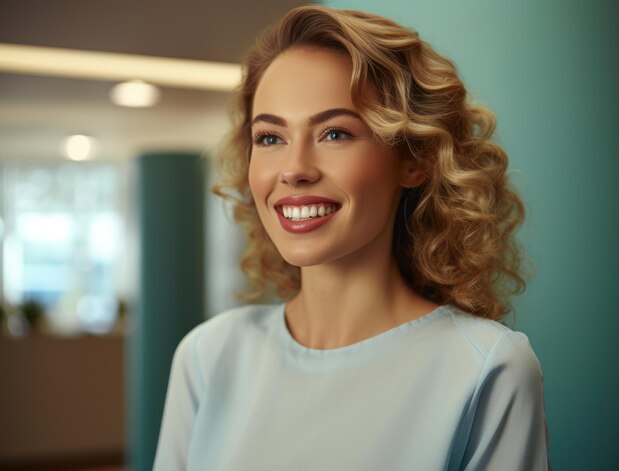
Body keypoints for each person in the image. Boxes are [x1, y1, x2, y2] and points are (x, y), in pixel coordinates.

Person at [154, 5, 550, 470]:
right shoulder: (208, 355)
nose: (295, 170)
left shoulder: (487, 368)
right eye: (270, 138)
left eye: (335, 133)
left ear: (414, 159)